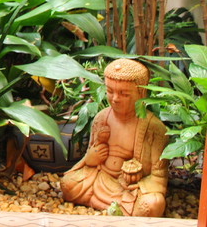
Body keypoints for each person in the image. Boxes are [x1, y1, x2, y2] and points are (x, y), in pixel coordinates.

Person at [61, 59, 169, 217]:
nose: (115, 98)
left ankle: (107, 206)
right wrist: (91, 159)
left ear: (141, 93)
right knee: (67, 184)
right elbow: (89, 156)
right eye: (110, 91)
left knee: (153, 204)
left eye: (124, 94)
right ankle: (118, 210)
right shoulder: (101, 118)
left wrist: (138, 179)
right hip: (100, 179)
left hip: (130, 188)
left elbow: (159, 177)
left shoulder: (154, 129)